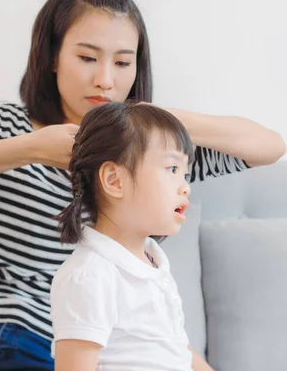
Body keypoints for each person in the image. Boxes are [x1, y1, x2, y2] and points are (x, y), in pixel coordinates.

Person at [0, 0, 286, 371]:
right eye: (87, 58)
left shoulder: (146, 153)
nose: (105, 80)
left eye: (123, 62)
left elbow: (268, 147)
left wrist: (153, 121)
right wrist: (29, 149)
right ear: (52, 57)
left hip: (52, 344)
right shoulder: (1, 126)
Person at [51, 101, 211, 371]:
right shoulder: (91, 276)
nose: (185, 187)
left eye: (185, 174)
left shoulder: (153, 261)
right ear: (115, 180)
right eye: (172, 169)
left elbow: (174, 345)